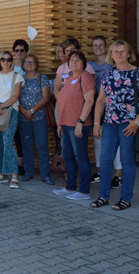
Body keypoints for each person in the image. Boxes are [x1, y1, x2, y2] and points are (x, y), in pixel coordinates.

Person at [90, 40, 139, 211]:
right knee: (105, 160)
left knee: (127, 161)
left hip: (128, 125)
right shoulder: (108, 74)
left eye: (122, 51)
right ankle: (103, 196)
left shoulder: (138, 73)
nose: (118, 54)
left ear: (128, 54)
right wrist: (96, 122)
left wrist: (137, 123)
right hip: (110, 123)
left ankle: (125, 198)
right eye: (115, 51)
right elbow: (101, 100)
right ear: (111, 55)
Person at [53, 51, 95, 200]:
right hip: (65, 124)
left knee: (81, 156)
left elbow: (89, 102)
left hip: (78, 125)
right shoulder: (70, 78)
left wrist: (80, 122)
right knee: (67, 156)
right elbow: (62, 102)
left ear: (84, 63)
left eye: (78, 60)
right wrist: (60, 123)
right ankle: (70, 186)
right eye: (72, 60)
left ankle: (84, 191)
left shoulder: (86, 77)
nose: (74, 63)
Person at [0, 51, 23, 189]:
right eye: (3, 59)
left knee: (8, 142)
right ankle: (3, 173)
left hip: (10, 110)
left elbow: (15, 96)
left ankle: (14, 174)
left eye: (8, 59)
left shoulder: (17, 76)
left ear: (11, 61)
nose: (6, 62)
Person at [88, 36, 121, 186]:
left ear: (106, 47)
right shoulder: (89, 65)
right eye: (95, 45)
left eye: (101, 45)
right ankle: (100, 173)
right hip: (95, 106)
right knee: (98, 140)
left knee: (115, 141)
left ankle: (118, 176)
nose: (98, 48)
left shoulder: (113, 64)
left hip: (111, 106)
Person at [18, 54, 53, 185]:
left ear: (37, 65)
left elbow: (46, 97)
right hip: (23, 118)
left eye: (32, 62)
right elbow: (14, 97)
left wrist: (31, 111)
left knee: (42, 145)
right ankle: (28, 172)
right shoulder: (19, 78)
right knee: (26, 145)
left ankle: (45, 174)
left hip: (39, 117)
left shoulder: (42, 77)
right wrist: (24, 111)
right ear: (23, 65)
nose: (29, 64)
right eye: (27, 62)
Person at [11, 39, 29, 176]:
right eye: (16, 50)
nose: (19, 53)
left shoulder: (29, 65)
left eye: (22, 50)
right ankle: (18, 164)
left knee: (25, 137)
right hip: (13, 103)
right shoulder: (11, 66)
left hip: (26, 104)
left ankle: (25, 165)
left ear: (26, 51)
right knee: (16, 136)